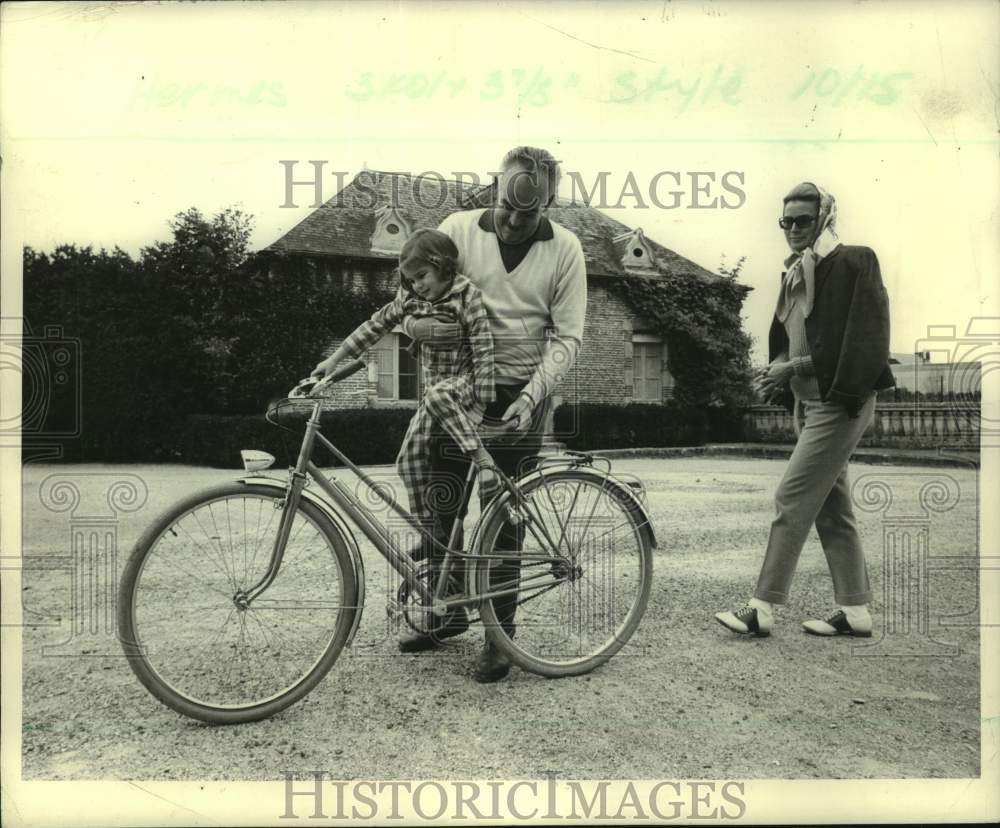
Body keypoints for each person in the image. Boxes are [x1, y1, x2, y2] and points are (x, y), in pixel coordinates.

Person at [397, 146, 588, 682]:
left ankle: (500, 638)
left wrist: (532, 395)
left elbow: (568, 337)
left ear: (550, 202)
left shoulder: (566, 249)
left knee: (503, 520)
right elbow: (408, 293)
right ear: (495, 188)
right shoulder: (457, 230)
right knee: (442, 505)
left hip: (519, 397)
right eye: (507, 204)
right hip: (457, 394)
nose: (514, 220)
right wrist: (415, 328)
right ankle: (448, 611)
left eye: (530, 210)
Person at [716, 181, 894, 639]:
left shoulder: (855, 261)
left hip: (840, 403)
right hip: (807, 405)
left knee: (791, 497)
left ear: (825, 219)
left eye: (803, 221)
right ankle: (855, 611)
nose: (793, 229)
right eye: (786, 221)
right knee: (832, 507)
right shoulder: (796, 273)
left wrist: (791, 367)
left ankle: (761, 608)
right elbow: (796, 339)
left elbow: (863, 340)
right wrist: (778, 370)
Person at [312, 228, 502, 541]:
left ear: (442, 266)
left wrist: (483, 402)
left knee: (439, 395)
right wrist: (334, 360)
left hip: (464, 384)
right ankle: (433, 538)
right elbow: (375, 325)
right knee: (408, 462)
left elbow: (484, 345)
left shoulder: (468, 295)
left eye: (422, 276)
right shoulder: (410, 299)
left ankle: (484, 462)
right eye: (411, 280)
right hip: (435, 394)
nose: (417, 285)